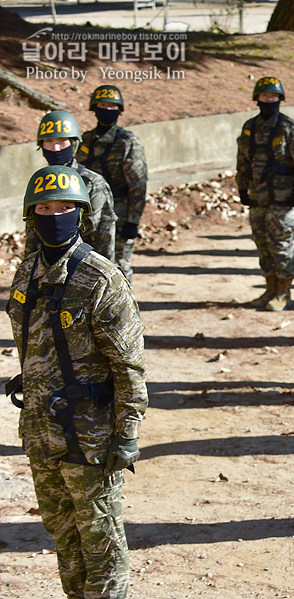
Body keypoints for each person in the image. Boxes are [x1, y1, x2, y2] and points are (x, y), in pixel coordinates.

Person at [6, 165, 148, 599]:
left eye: (64, 207)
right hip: (40, 433)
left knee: (101, 542)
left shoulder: (101, 278)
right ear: (32, 216)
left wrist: (127, 435)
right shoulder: (26, 273)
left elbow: (129, 368)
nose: (54, 215)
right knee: (64, 538)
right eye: (44, 208)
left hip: (90, 438)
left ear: (81, 213)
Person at [236, 76, 294, 311]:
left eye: (273, 96)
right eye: (265, 96)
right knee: (263, 244)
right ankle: (270, 288)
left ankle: (283, 292)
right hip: (258, 198)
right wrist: (242, 188)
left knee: (281, 245)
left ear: (280, 99)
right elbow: (242, 161)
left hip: (283, 200)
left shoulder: (290, 128)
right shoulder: (250, 127)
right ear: (256, 99)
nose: (269, 100)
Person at [76, 85, 148, 282]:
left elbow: (138, 184)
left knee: (119, 268)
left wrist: (133, 220)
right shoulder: (85, 140)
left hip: (119, 215)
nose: (107, 110)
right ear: (94, 108)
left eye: (111, 106)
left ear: (119, 110)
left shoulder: (127, 141)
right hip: (89, 215)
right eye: (102, 105)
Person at [31, 110, 116, 261]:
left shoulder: (92, 182)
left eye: (61, 141)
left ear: (74, 143)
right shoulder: (39, 183)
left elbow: (104, 236)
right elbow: (32, 234)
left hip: (83, 267)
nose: (55, 148)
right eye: (49, 141)